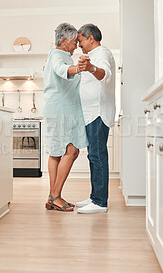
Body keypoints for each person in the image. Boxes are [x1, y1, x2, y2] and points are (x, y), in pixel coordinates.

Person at [43, 23, 88, 212]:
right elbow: (63, 70)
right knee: (72, 150)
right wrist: (79, 68)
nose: (77, 44)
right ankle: (56, 196)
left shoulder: (56, 55)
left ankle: (52, 197)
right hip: (62, 109)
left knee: (56, 152)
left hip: (58, 108)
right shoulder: (58, 56)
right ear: (63, 41)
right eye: (74, 41)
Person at [75, 24, 116, 214]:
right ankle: (95, 197)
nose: (79, 45)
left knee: (98, 155)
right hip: (90, 113)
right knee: (93, 156)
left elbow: (105, 75)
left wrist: (91, 68)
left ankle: (100, 202)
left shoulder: (103, 54)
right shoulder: (92, 56)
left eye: (80, 40)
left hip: (98, 112)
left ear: (91, 38)